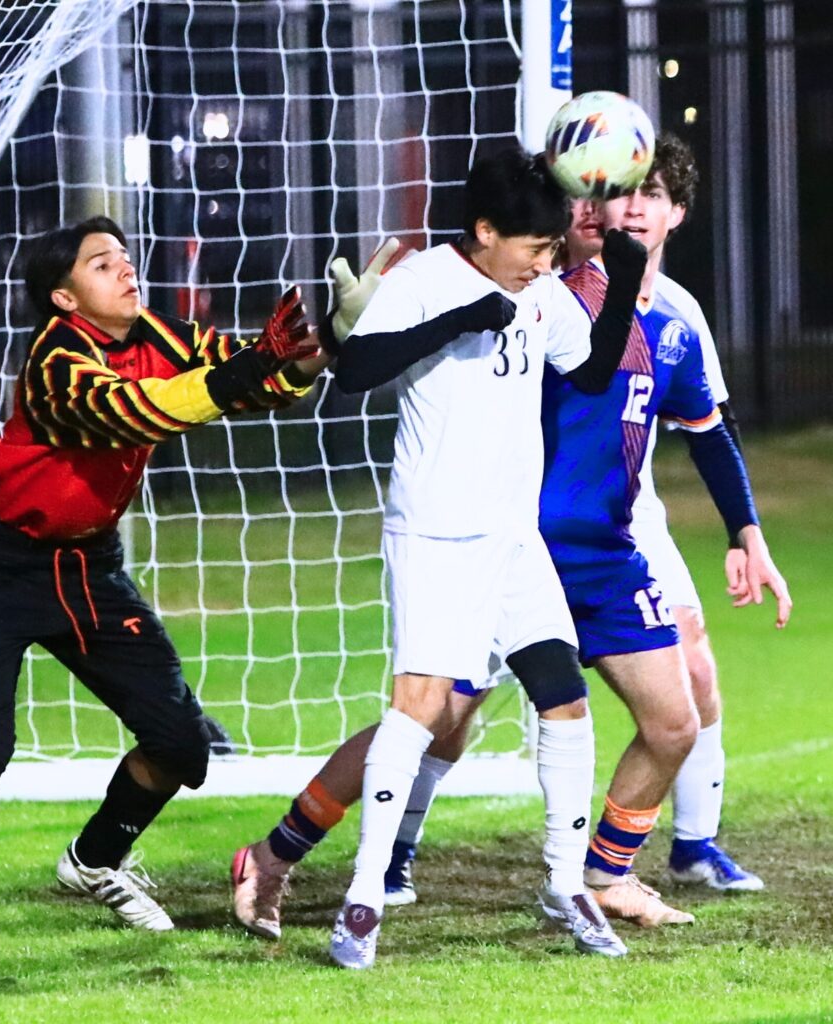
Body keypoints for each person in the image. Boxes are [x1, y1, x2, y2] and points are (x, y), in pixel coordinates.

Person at [0, 215, 378, 939]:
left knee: (182, 743)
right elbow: (137, 413)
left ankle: (96, 860)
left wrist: (326, 340)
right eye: (102, 264)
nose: (126, 269)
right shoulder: (54, 359)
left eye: (125, 257)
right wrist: (258, 364)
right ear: (65, 298)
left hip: (90, 568)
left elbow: (256, 377)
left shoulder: (158, 334)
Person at [236, 145, 648, 969]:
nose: (546, 263)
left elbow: (594, 370)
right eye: (535, 248)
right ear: (485, 230)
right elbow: (356, 369)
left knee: (565, 698)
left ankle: (565, 885)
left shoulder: (540, 290)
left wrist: (625, 275)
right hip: (435, 534)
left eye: (554, 248)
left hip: (513, 538)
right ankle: (362, 900)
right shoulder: (426, 279)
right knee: (421, 712)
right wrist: (460, 319)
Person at [540, 132, 791, 927]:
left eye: (655, 195)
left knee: (692, 675)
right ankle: (386, 857)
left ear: (678, 213)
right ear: (597, 203)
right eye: (625, 192)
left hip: (625, 520)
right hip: (532, 526)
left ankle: (688, 845)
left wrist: (746, 533)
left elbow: (710, 430)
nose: (637, 207)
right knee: (447, 706)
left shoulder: (680, 315)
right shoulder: (555, 299)